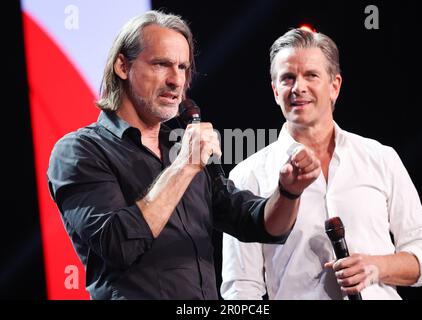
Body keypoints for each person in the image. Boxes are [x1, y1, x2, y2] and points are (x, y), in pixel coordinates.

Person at [47, 11, 321, 300]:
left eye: (182, 67)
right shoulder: (79, 151)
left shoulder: (180, 149)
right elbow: (118, 244)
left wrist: (289, 192)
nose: (176, 81)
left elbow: (256, 223)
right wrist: (185, 167)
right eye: (161, 64)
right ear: (122, 66)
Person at [221, 28, 422, 300]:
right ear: (275, 91)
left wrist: (376, 267)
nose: (298, 87)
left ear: (334, 86)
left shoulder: (380, 158)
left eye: (311, 75)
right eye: (288, 78)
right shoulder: (248, 175)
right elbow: (241, 288)